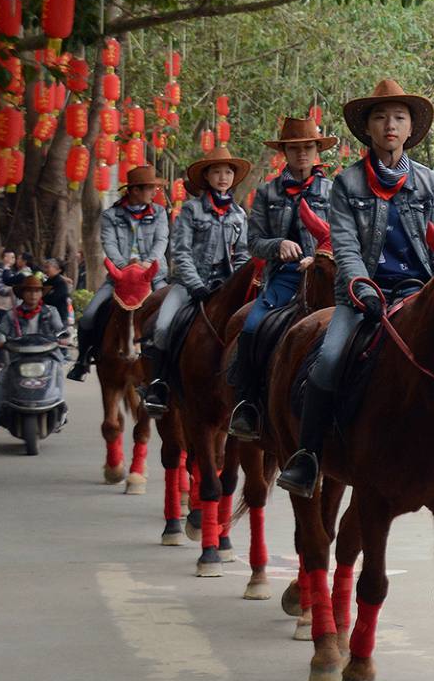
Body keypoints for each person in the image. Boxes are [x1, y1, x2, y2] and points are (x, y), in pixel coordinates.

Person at [277, 79, 434, 496]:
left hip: (421, 291)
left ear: (410, 128)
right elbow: (343, 246)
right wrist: (360, 287)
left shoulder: (430, 182)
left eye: (398, 117)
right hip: (362, 296)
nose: (390, 125)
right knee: (326, 361)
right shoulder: (347, 184)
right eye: (381, 117)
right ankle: (307, 455)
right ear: (370, 128)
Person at [227, 116, 337, 439]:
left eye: (308, 147)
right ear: (284, 152)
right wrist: (279, 246)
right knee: (250, 328)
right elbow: (254, 241)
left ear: (316, 150)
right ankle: (246, 403)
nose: (302, 154)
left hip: (324, 276)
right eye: (295, 148)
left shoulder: (334, 192)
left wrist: (317, 257)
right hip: (283, 279)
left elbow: (346, 236)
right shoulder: (267, 193)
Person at [142, 154, 251, 415]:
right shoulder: (191, 210)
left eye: (228, 172)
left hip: (225, 285)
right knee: (162, 326)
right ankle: (158, 387)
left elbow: (244, 254)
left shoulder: (239, 214)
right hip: (190, 284)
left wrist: (238, 282)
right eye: (216, 172)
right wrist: (196, 284)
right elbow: (181, 252)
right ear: (206, 177)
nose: (223, 177)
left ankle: (247, 393)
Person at [69, 165, 171, 381]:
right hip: (120, 279)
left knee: (170, 317)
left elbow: (162, 240)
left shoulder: (160, 213)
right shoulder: (111, 215)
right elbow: (109, 243)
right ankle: (83, 359)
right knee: (89, 316)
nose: (154, 193)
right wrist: (126, 267)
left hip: (153, 276)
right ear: (134, 190)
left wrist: (146, 263)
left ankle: (169, 368)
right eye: (150, 188)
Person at [0, 272, 67, 430]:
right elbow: (1, 332)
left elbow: (61, 330)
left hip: (47, 356)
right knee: (1, 378)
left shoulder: (51, 312)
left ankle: (59, 410)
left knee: (58, 373)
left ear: (41, 294)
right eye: (29, 291)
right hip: (18, 356)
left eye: (36, 291)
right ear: (22, 294)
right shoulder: (11, 315)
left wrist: (64, 337)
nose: (33, 295)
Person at [0, 249, 23, 327]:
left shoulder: (10, 271)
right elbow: (0, 289)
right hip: (1, 306)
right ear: (5, 258)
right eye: (11, 257)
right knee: (5, 328)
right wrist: (15, 290)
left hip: (9, 306)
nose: (13, 259)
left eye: (14, 257)